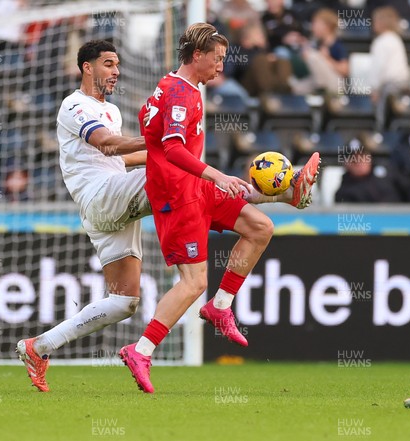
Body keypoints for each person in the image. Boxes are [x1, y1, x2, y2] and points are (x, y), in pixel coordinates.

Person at [119, 23, 320, 394]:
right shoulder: (180, 92)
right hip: (179, 198)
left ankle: (221, 306)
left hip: (193, 188)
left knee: (260, 228)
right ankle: (141, 349)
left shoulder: (177, 86)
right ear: (198, 56)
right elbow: (174, 149)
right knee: (194, 282)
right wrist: (216, 174)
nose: (220, 67)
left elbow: (156, 144)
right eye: (217, 59)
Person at [16, 40, 149, 392]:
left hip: (111, 199)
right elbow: (107, 144)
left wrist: (159, 152)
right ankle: (259, 194)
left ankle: (38, 347)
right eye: (108, 64)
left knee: (124, 302)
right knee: (179, 179)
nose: (116, 71)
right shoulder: (74, 105)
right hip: (101, 196)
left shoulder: (114, 111)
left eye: (117, 64)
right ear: (87, 67)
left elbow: (118, 157)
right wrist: (160, 141)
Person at [369, 6, 410, 127]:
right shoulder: (396, 39)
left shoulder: (381, 41)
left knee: (382, 111)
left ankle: (381, 128)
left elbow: (378, 67)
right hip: (402, 84)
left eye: (375, 21)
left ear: (382, 23)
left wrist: (374, 89)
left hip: (390, 85)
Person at [335, 143, 410, 203]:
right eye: (354, 160)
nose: (360, 163)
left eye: (363, 157)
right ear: (346, 164)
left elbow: (409, 189)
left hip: (402, 219)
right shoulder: (344, 192)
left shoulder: (388, 171)